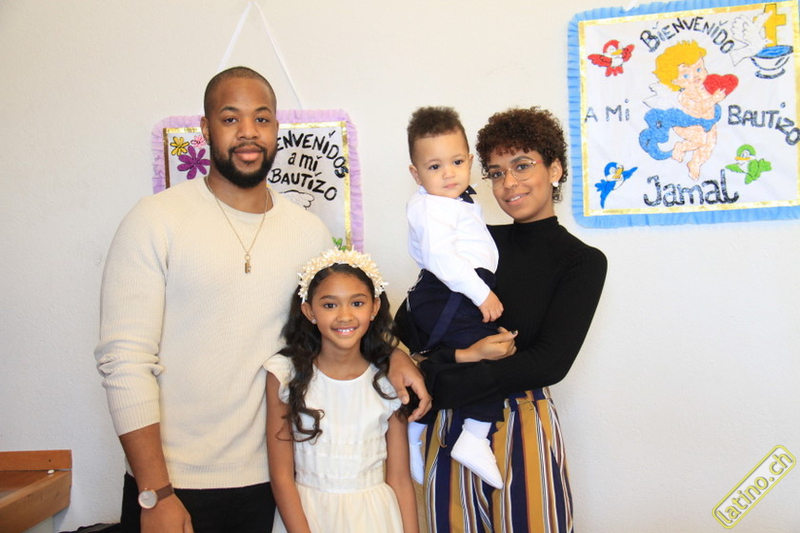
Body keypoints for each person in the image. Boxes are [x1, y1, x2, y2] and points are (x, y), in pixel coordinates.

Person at [95, 66, 429, 533]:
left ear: (276, 129)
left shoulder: (308, 232)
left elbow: (340, 320)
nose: (248, 132)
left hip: (278, 483)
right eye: (230, 119)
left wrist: (394, 353)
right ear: (205, 128)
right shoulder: (155, 221)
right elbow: (124, 361)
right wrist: (156, 493)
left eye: (262, 118)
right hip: (176, 483)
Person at [395, 106, 608, 532]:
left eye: (522, 166)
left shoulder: (581, 262)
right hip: (448, 424)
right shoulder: (475, 243)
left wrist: (441, 377)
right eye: (496, 172)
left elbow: (550, 362)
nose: (508, 183)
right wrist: (408, 357)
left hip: (521, 423)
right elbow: (410, 322)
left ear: (555, 169)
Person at [266, 249, 419, 533]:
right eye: (329, 305)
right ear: (309, 311)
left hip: (375, 518)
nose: (345, 316)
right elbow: (281, 477)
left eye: (357, 303)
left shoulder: (388, 380)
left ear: (374, 307)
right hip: (307, 515)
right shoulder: (285, 374)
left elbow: (399, 478)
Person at [402, 106, 509, 489]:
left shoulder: (448, 202)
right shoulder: (431, 207)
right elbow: (441, 259)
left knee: (449, 364)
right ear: (416, 173)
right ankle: (475, 436)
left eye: (457, 162)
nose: (448, 173)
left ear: (470, 161)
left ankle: (414, 431)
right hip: (452, 290)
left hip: (451, 289)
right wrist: (482, 294)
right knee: (489, 358)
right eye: (435, 166)